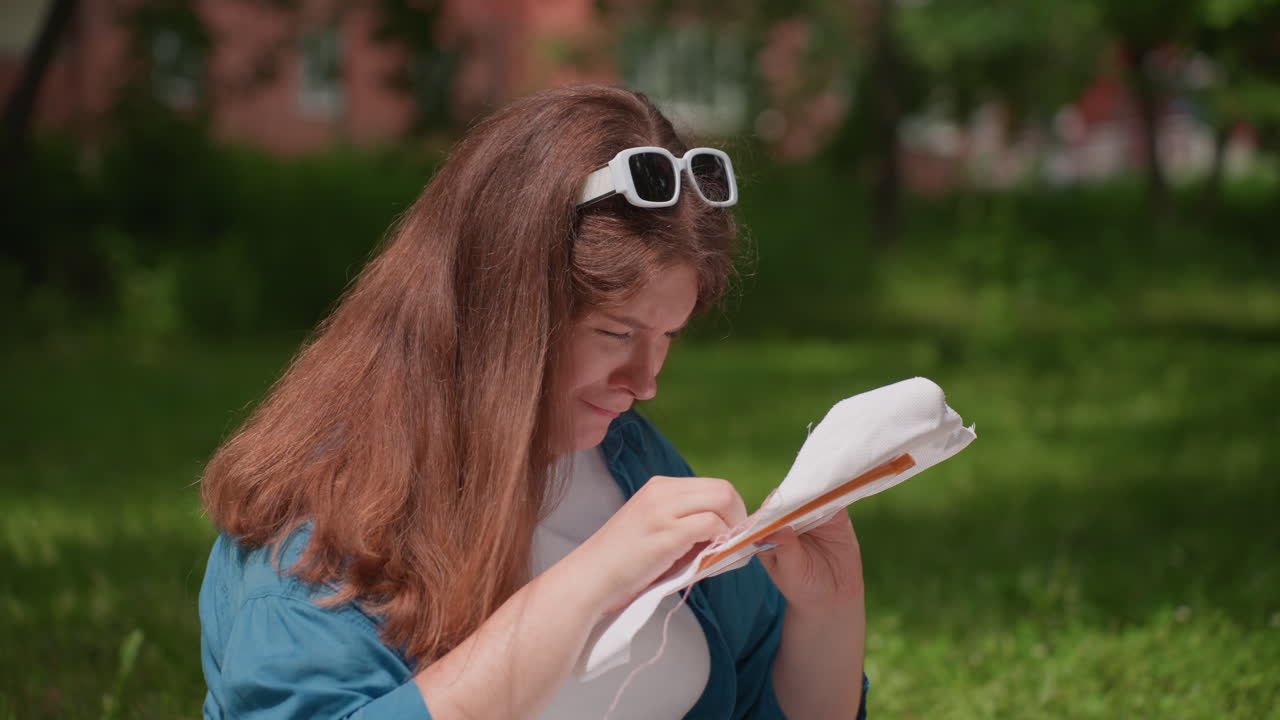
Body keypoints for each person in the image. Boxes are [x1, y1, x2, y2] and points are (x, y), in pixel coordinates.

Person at [198, 84, 869, 719]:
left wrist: (830, 610)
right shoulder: (330, 512)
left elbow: (761, 698)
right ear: (501, 313)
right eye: (616, 333)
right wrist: (589, 582)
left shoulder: (628, 458)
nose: (645, 381)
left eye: (667, 336)